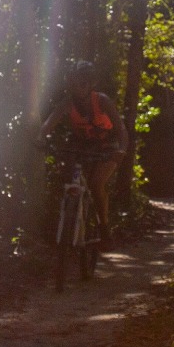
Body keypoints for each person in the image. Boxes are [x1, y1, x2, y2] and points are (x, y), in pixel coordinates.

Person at [42, 60, 123, 240]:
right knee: (66, 180)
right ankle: (66, 226)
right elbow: (48, 124)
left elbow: (121, 129)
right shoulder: (67, 103)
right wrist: (40, 139)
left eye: (82, 83)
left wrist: (121, 150)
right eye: (73, 83)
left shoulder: (102, 101)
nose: (77, 87)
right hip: (82, 145)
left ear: (90, 84)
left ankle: (104, 227)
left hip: (108, 146)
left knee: (96, 184)